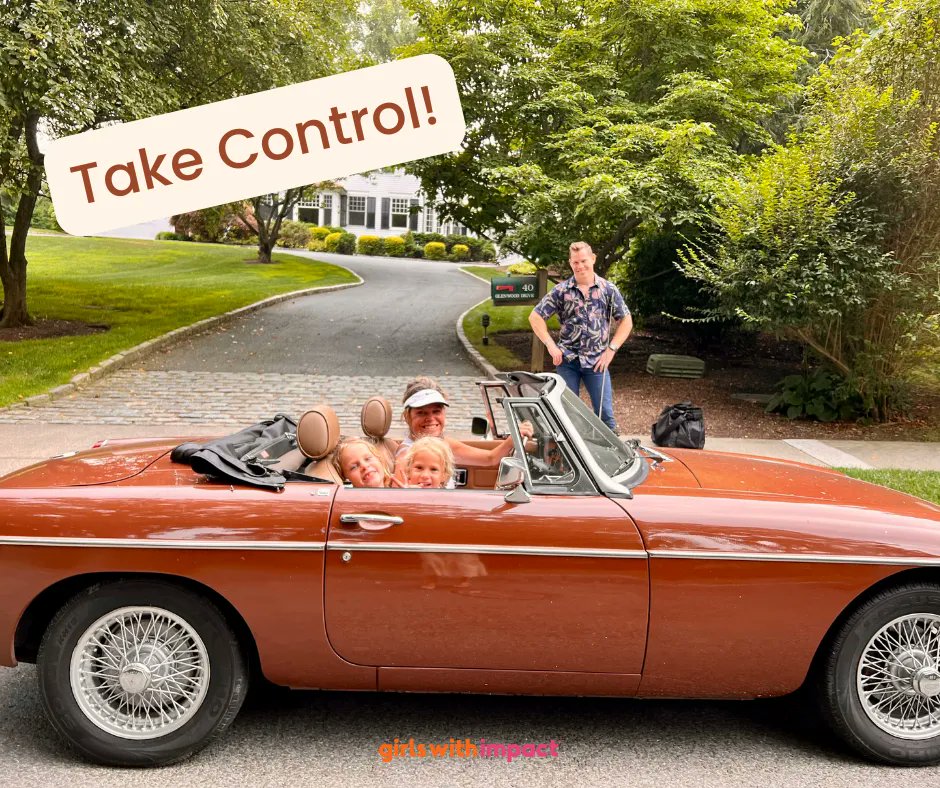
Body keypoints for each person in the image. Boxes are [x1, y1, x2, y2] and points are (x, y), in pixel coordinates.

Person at [528, 241, 632, 432]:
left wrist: (611, 350)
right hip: (568, 361)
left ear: (592, 259)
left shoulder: (608, 290)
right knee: (567, 414)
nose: (580, 266)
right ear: (570, 263)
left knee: (605, 416)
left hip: (597, 362)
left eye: (583, 261)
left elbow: (626, 321)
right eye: (575, 262)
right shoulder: (561, 291)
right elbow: (535, 317)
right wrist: (551, 346)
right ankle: (569, 458)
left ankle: (610, 458)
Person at [395, 377, 533, 475]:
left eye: (436, 411)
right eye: (421, 413)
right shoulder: (406, 454)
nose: (430, 418)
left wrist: (514, 437)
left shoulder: (443, 444)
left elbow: (489, 458)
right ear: (407, 416)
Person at [331, 437, 397, 488]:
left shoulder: (398, 491)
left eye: (368, 459)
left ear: (380, 461)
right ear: (345, 479)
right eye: (354, 467)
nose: (364, 466)